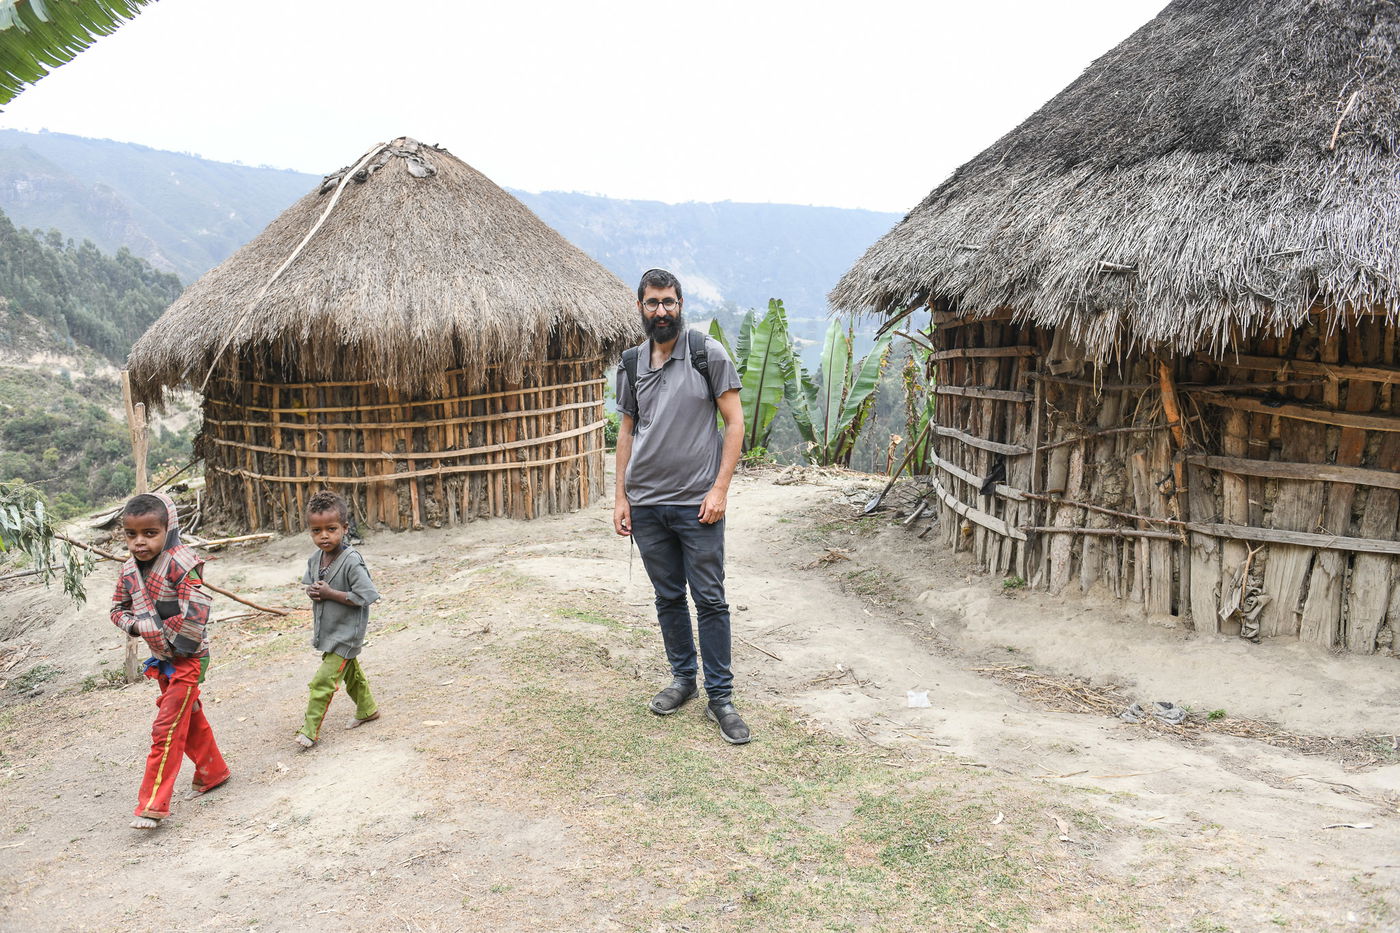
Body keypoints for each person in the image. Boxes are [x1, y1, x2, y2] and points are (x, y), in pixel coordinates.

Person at [613, 268, 750, 744]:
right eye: (653, 303)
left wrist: (720, 490)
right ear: (641, 307)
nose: (661, 311)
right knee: (668, 597)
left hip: (698, 504)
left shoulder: (706, 353)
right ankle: (683, 679)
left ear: (680, 304)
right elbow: (627, 430)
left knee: (709, 599)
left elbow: (734, 423)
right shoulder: (631, 363)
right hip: (647, 505)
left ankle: (721, 698)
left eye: (668, 302)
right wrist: (621, 497)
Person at [111, 492, 230, 829]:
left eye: (150, 533)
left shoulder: (182, 563)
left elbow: (196, 613)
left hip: (189, 657)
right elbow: (117, 609)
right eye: (132, 534)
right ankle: (213, 772)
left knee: (166, 728)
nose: (139, 542)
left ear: (169, 529)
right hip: (161, 658)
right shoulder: (129, 571)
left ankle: (152, 804)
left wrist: (163, 634)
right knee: (187, 716)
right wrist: (137, 626)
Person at [295, 490, 381, 749]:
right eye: (316, 530)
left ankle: (309, 731)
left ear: (344, 528)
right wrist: (312, 591)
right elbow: (311, 585)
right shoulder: (315, 559)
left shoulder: (352, 561)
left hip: (346, 632)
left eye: (331, 529)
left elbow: (366, 595)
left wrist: (330, 593)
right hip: (328, 630)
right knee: (351, 673)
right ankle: (367, 709)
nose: (324, 536)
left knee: (323, 681)